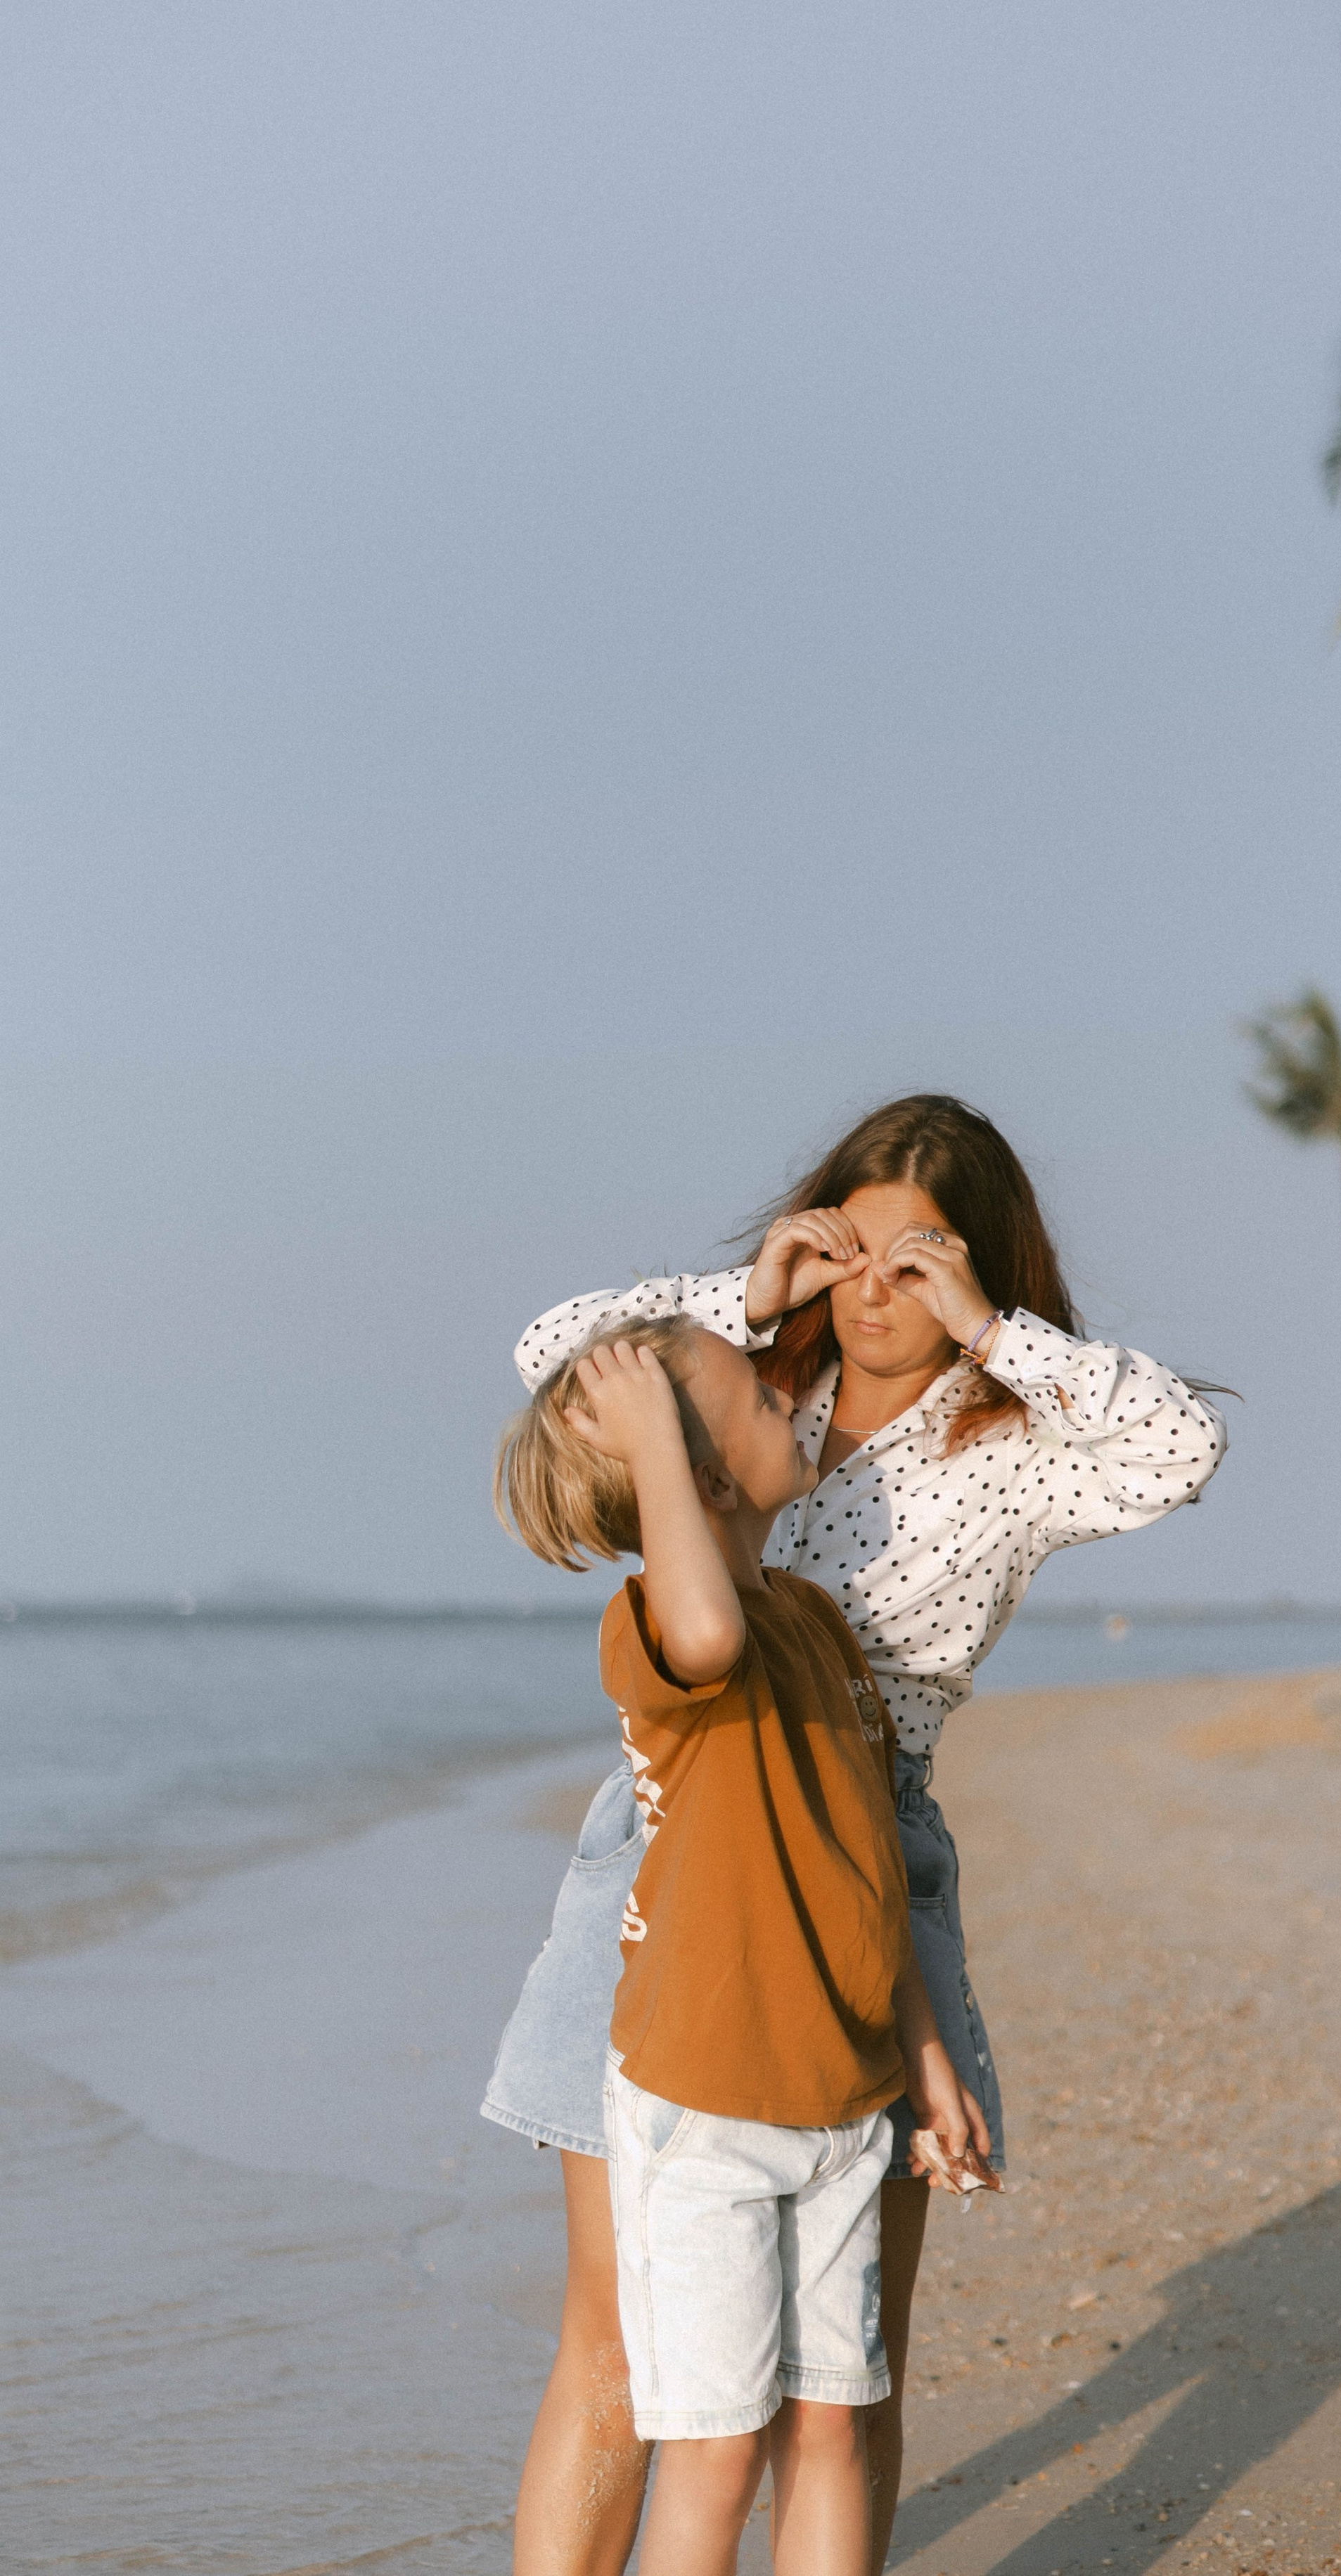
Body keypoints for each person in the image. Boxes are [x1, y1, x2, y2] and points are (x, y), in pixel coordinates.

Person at [485, 1093, 1225, 2575]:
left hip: (866, 1850)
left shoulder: (1016, 1442)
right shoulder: (752, 1393)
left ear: (980, 1267)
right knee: (619, 2340)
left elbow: (1177, 1450)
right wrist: (747, 1295)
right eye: (857, 1256)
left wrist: (988, 1327)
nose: (880, 1296)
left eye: (922, 1262)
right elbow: (551, 1353)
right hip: (670, 1833)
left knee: (843, 2371)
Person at [496, 1311, 975, 2576]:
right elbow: (705, 1628)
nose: (789, 1398)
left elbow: (870, 1871)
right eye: (755, 1399)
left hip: (840, 2100)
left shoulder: (816, 1626)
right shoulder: (659, 1628)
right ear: (694, 1475)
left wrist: (924, 2048)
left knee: (828, 2424)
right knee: (714, 2445)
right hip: (700, 2115)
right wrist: (655, 1432)